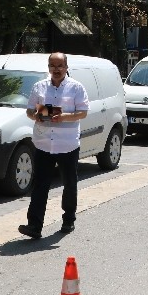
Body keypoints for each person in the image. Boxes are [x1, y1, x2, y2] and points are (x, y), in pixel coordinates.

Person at [18, 52, 89, 239]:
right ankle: (34, 225)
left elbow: (83, 112)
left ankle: (68, 219)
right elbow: (29, 110)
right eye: (53, 66)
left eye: (60, 66)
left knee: (69, 184)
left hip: (67, 144)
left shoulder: (76, 87)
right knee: (40, 185)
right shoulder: (39, 87)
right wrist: (36, 116)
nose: (56, 70)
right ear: (48, 67)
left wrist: (64, 117)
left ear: (66, 67)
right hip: (43, 144)